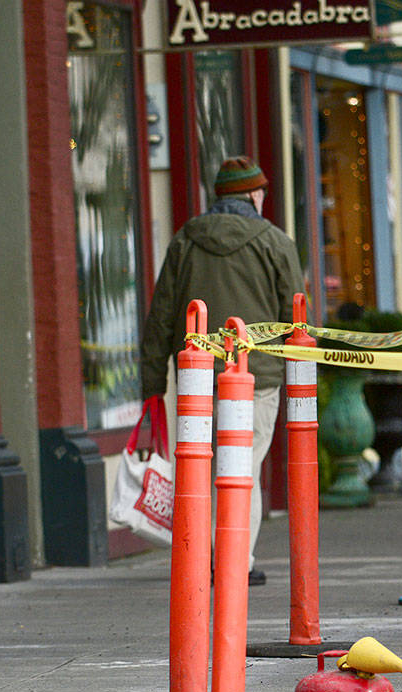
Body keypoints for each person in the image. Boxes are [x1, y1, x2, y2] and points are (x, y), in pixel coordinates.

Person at [140, 156, 304, 586]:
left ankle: (206, 556)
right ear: (253, 195)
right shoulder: (275, 242)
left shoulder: (185, 240)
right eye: (262, 192)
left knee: (200, 467)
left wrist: (152, 385)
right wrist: (304, 381)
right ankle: (235, 561)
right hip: (259, 378)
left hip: (194, 379)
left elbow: (161, 316)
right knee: (242, 466)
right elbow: (298, 319)